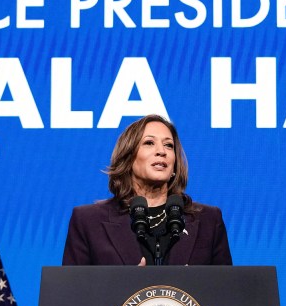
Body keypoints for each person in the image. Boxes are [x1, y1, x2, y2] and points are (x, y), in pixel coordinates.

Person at [62, 114, 232, 266]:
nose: (161, 151)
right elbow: (72, 294)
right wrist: (124, 288)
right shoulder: (88, 222)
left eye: (169, 145)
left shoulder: (208, 220)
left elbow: (227, 294)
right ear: (128, 158)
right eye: (149, 143)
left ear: (174, 165)